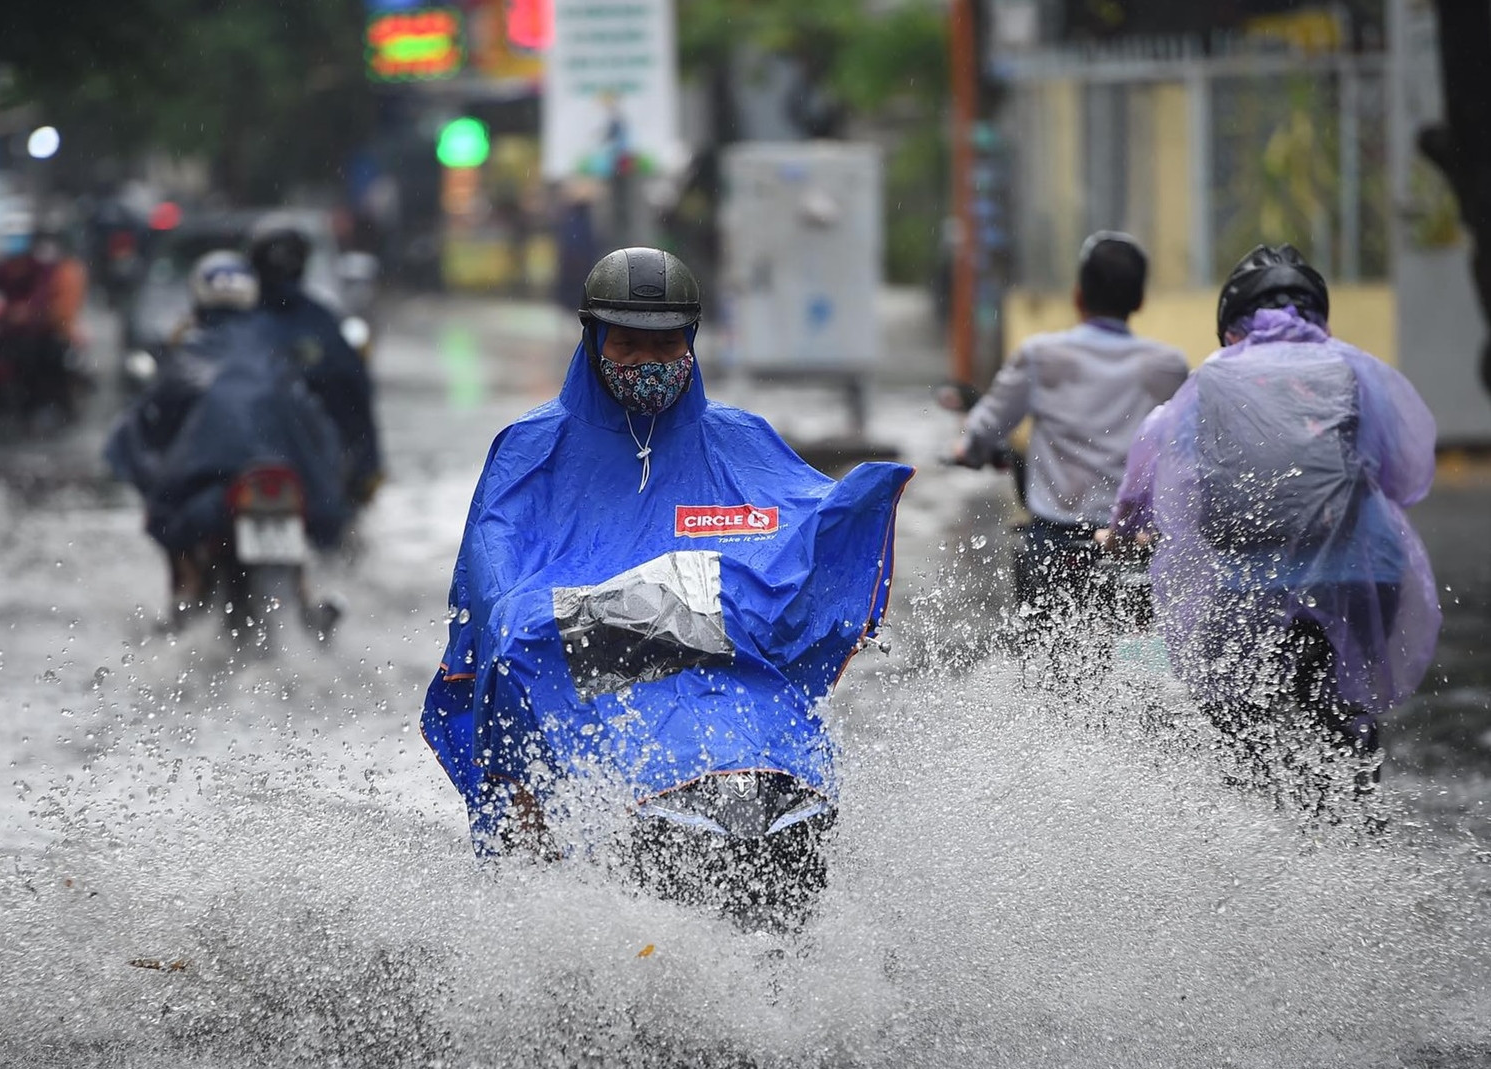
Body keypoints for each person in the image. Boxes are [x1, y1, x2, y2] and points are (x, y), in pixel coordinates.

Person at [420, 247, 913, 856]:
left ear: (693, 340)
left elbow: (801, 561)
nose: (648, 361)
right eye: (627, 344)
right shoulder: (532, 450)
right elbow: (501, 605)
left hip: (735, 704)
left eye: (666, 344)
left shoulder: (741, 440)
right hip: (579, 686)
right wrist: (672, 606)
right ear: (593, 338)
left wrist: (854, 514)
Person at [1102, 244, 1440, 800]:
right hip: (1360, 577)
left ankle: (1257, 813)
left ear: (1230, 325)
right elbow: (1406, 476)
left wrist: (1122, 529)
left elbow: (1153, 468)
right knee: (1346, 716)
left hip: (1244, 589)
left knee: (1233, 714)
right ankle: (1358, 816)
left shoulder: (1209, 380)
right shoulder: (1353, 367)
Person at [952, 231, 1188, 624]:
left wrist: (969, 450)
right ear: (1139, 301)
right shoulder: (1168, 366)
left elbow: (986, 427)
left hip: (1057, 540)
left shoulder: (1041, 357)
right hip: (1134, 541)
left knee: (1044, 661)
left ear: (1078, 295)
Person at [104, 251, 349, 628]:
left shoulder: (187, 355)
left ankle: (185, 592)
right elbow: (319, 430)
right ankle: (303, 597)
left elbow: (143, 433)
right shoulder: (276, 352)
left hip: (217, 493)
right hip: (277, 485)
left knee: (170, 515)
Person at [247, 215, 384, 511]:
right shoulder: (241, 322)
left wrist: (366, 468)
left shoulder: (322, 324)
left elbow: (357, 396)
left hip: (316, 470)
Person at [0, 225, 88, 415]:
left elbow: (42, 299)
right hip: (9, 332)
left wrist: (27, 312)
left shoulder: (40, 268)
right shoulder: (3, 268)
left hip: (39, 332)